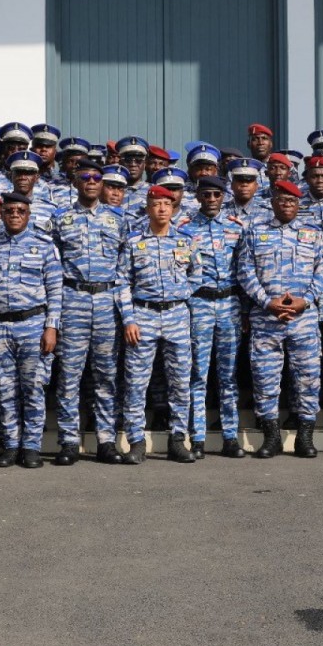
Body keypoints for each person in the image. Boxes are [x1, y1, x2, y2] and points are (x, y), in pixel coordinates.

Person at [237, 180, 323, 459]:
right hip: (266, 318)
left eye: (292, 201)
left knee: (308, 379)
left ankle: (305, 437)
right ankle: (271, 437)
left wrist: (306, 300)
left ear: (299, 204)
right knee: (265, 379)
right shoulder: (255, 232)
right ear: (273, 202)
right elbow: (245, 271)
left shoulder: (313, 234)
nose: (286, 204)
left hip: (303, 319)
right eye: (281, 200)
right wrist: (267, 302)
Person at [118, 186, 202, 464]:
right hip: (143, 316)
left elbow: (197, 274)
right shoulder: (133, 242)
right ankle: (136, 442)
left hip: (177, 315)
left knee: (179, 382)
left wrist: (180, 295)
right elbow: (122, 283)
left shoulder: (186, 241)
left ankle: (178, 440)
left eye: (167, 204)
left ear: (173, 207)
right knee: (136, 382)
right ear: (148, 207)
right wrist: (129, 319)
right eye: (156, 204)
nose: (162, 209)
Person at [52, 162, 127, 465]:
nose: (92, 182)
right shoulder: (60, 220)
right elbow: (53, 271)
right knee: (69, 375)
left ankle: (106, 440)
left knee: (106, 375)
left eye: (98, 178)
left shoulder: (118, 220)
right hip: (73, 299)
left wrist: (124, 312)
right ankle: (69, 441)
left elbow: (124, 269)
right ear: (75, 181)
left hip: (107, 302)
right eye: (86, 177)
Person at [0, 192, 63, 468]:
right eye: (10, 211)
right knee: (5, 389)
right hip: (0, 326)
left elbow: (55, 291)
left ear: (28, 214)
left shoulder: (44, 244)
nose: (15, 214)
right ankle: (11, 445)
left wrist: (51, 328)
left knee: (33, 387)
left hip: (33, 324)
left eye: (20, 211)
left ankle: (31, 447)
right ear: (2, 214)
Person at [180, 176, 248, 458]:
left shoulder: (237, 228)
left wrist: (245, 311)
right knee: (197, 374)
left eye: (216, 195)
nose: (210, 200)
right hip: (200, 304)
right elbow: (179, 270)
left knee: (228, 375)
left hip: (230, 303)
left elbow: (244, 272)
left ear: (223, 197)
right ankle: (197, 437)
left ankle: (230, 436)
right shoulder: (184, 229)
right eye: (205, 194)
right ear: (197, 196)